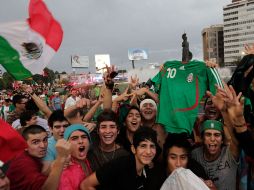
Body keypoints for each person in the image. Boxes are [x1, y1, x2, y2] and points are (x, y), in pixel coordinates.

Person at [80, 127, 158, 190]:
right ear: (133, 149)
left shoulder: (146, 170)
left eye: (152, 146)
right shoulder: (119, 166)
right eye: (143, 146)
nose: (148, 151)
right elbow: (85, 185)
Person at [6, 125, 71, 190]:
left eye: (45, 140)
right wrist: (60, 160)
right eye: (35, 142)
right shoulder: (24, 163)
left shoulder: (31, 155)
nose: (43, 145)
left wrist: (53, 166)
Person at [192, 120, 239, 190]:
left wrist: (223, 111)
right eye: (208, 134)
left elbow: (235, 139)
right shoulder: (195, 154)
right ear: (202, 138)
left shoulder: (229, 153)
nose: (212, 139)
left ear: (222, 140)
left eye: (217, 135)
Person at [58, 124, 92, 190]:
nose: (80, 141)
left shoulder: (89, 159)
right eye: (74, 138)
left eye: (84, 137)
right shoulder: (64, 173)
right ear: (66, 144)